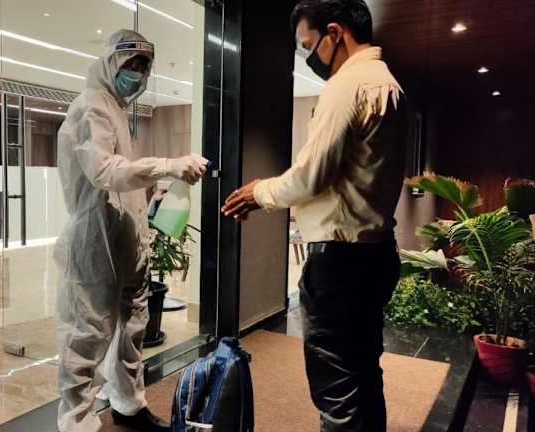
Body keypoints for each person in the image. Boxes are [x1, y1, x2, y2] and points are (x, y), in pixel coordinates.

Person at [221, 1, 405, 430]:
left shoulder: (347, 85)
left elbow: (311, 175)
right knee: (363, 376)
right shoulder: (390, 84)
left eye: (309, 44)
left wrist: (258, 192)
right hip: (376, 254)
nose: (309, 55)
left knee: (337, 393)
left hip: (340, 264)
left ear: (335, 33)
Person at [55, 29, 208, 432]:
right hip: (96, 241)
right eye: (131, 65)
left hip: (125, 239)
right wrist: (167, 165)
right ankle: (76, 422)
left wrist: (156, 189)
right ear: (110, 63)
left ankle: (128, 405)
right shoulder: (90, 106)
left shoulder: (118, 110)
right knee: (87, 335)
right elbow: (104, 171)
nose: (137, 74)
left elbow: (124, 177)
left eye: (144, 67)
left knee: (132, 327)